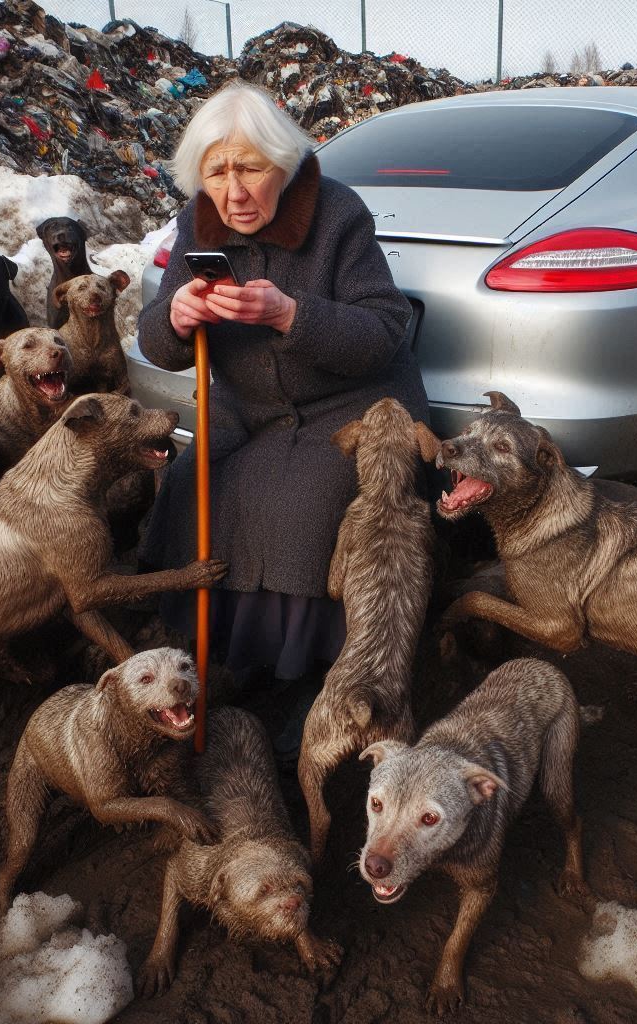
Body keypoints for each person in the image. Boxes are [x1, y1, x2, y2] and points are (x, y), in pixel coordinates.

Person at [137, 81, 428, 754]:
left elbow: (385, 329)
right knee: (192, 486)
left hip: (351, 404)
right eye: (218, 172)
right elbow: (156, 340)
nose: (234, 192)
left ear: (285, 165)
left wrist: (293, 313)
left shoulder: (336, 214)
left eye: (252, 170)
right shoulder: (198, 219)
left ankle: (310, 677)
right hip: (250, 408)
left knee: (302, 508)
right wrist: (176, 316)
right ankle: (223, 653)